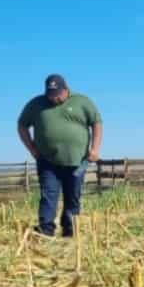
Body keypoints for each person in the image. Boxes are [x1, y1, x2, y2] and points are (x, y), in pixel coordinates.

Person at [17, 74, 102, 238]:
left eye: (57, 95)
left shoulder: (82, 101)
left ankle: (70, 230)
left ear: (65, 89)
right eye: (50, 95)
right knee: (48, 195)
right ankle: (46, 230)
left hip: (76, 161)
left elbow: (97, 123)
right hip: (47, 161)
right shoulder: (36, 104)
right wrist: (31, 149)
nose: (54, 99)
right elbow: (22, 125)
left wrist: (95, 149)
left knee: (73, 197)